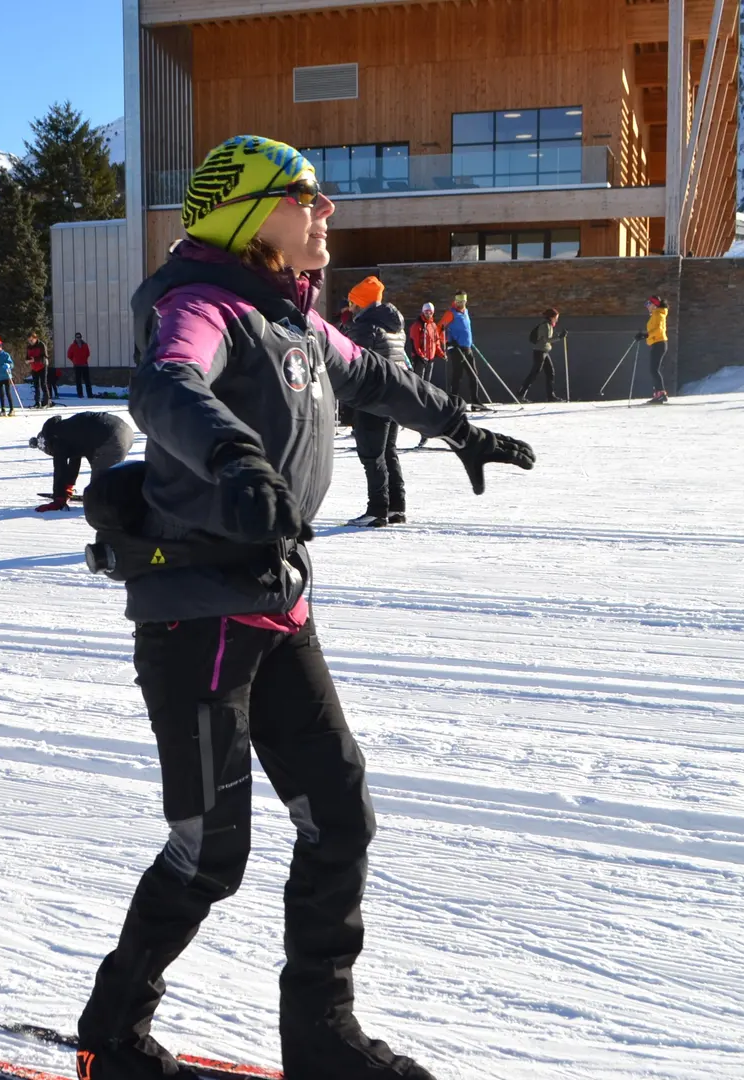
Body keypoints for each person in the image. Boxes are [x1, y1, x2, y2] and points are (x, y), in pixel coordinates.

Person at [75, 134, 535, 1080]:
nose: (327, 211)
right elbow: (167, 384)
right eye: (309, 196)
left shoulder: (290, 320)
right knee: (211, 854)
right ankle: (112, 1036)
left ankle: (320, 1037)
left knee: (340, 813)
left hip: (276, 606)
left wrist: (461, 428)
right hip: (195, 615)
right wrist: (236, 456)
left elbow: (372, 377)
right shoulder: (200, 305)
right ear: (251, 213)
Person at [341, 277, 411, 528]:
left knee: (372, 455)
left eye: (351, 302)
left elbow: (353, 362)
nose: (349, 308)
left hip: (372, 396)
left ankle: (377, 509)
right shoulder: (394, 325)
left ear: (361, 303)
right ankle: (396, 507)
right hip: (394, 394)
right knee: (388, 451)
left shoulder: (365, 327)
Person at [31, 411, 134, 511]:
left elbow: (60, 467)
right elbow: (74, 462)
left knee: (100, 489)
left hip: (109, 438)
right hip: (124, 431)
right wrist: (68, 487)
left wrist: (59, 498)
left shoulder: (56, 440)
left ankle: (128, 500)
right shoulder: (65, 429)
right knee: (109, 476)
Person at [438, 292, 486, 410]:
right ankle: (453, 402)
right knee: (457, 375)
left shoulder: (466, 312)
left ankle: (475, 402)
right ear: (455, 301)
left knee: (473, 374)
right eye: (458, 302)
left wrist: (469, 341)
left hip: (467, 348)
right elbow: (438, 329)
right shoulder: (450, 313)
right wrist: (448, 342)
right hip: (456, 349)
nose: (460, 304)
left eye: (463, 302)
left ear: (465, 301)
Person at [520, 307, 566, 402]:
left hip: (544, 351)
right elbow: (546, 339)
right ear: (552, 317)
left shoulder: (549, 325)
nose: (557, 319)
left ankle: (551, 396)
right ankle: (521, 394)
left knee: (550, 372)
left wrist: (559, 336)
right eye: (556, 317)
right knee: (535, 373)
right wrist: (560, 337)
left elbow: (548, 338)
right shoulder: (545, 325)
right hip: (540, 352)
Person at [408, 301, 446, 391]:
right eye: (426, 312)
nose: (428, 314)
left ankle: (425, 399)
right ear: (423, 312)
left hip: (430, 359)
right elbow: (415, 343)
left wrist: (441, 354)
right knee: (418, 382)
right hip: (420, 359)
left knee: (427, 382)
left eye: (430, 312)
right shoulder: (417, 326)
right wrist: (421, 356)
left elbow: (436, 343)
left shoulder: (433, 326)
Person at [642, 295, 671, 404]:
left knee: (654, 369)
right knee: (653, 369)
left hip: (659, 343)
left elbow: (658, 329)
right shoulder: (655, 314)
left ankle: (661, 394)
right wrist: (645, 335)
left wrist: (646, 335)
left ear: (654, 305)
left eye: (648, 304)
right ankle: (658, 393)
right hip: (656, 343)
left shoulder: (659, 314)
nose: (647, 307)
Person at [26, 332, 50, 408]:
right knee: (36, 385)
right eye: (29, 340)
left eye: (32, 340)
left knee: (43, 384)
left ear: (35, 338)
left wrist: (35, 359)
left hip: (42, 366)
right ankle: (37, 402)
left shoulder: (41, 345)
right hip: (34, 367)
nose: (30, 342)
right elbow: (27, 356)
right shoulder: (29, 347)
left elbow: (45, 357)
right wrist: (27, 360)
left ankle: (46, 402)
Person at [68, 332, 94, 398]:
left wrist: (84, 359)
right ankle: (80, 394)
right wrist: (74, 361)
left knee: (87, 381)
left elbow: (88, 353)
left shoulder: (85, 345)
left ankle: (90, 394)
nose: (78, 338)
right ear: (75, 338)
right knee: (78, 381)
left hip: (85, 365)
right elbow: (69, 355)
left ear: (81, 337)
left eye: (79, 337)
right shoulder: (72, 346)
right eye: (77, 337)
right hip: (77, 366)